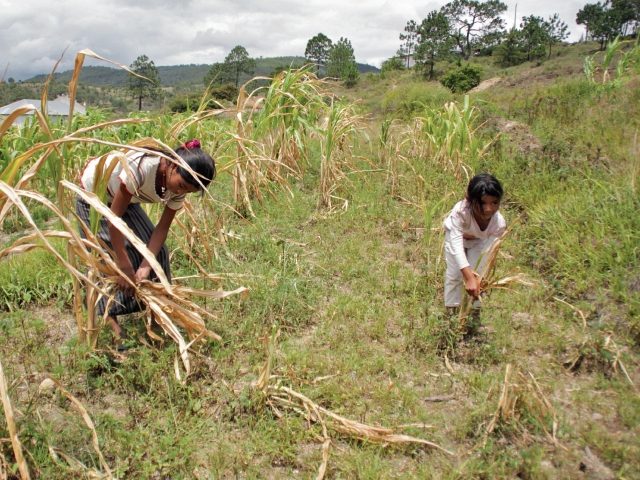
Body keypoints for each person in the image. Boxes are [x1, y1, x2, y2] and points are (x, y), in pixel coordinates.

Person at [76, 139, 215, 349]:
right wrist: (124, 264)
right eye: (181, 186)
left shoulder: (179, 188)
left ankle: (157, 313)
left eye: (188, 191)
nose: (180, 192)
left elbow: (161, 229)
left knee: (157, 255)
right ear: (172, 166)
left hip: (125, 199)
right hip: (94, 195)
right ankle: (113, 328)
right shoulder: (140, 169)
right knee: (106, 260)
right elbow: (114, 222)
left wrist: (145, 266)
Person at [443, 173, 506, 333]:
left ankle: (473, 319)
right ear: (470, 200)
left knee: (479, 278)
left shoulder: (498, 224)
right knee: (454, 275)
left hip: (479, 242)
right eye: (482, 203)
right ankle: (450, 319)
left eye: (494, 202)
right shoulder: (461, 213)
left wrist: (475, 278)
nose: (488, 208)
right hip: (456, 239)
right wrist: (467, 275)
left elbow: (488, 251)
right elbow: (456, 244)